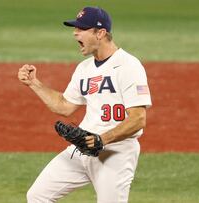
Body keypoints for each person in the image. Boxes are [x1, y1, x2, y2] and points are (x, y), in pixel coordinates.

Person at [18, 6, 152, 203]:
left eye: (81, 29)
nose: (75, 33)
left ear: (100, 33)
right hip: (82, 146)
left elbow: (138, 119)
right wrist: (34, 84)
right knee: (38, 196)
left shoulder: (128, 66)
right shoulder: (84, 68)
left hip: (116, 152)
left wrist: (102, 139)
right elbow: (64, 106)